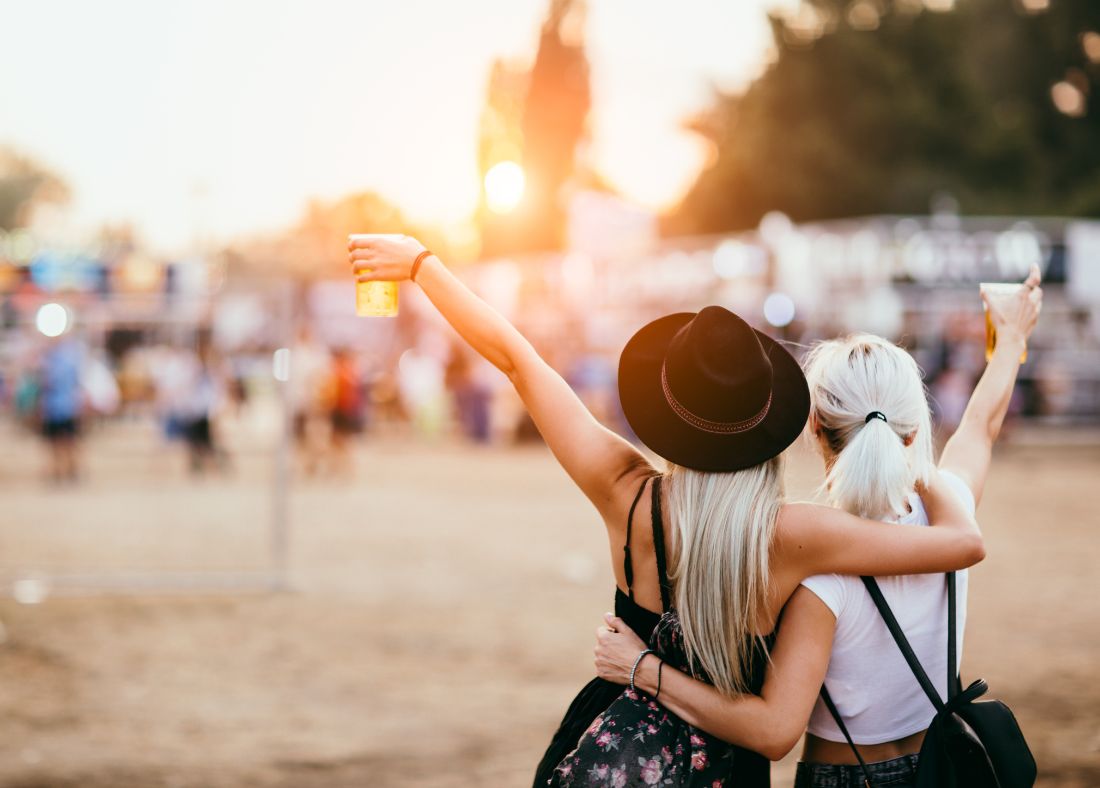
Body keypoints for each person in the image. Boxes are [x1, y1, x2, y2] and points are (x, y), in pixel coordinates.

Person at [348, 236, 983, 787]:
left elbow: (519, 359)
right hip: (726, 769)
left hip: (612, 748)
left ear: (666, 410)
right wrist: (910, 449)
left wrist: (422, 264)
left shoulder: (622, 488)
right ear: (771, 422)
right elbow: (960, 545)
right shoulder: (796, 534)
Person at [593, 267, 1042, 787]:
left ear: (813, 427)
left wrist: (642, 667)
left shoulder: (817, 571)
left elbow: (772, 729)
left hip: (845, 777)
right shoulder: (947, 513)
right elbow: (980, 428)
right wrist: (1011, 338)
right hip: (944, 767)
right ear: (913, 429)